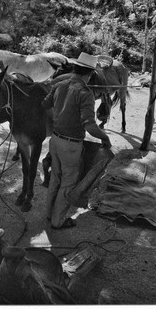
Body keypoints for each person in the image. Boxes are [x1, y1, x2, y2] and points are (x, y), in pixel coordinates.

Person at [41, 52, 111, 229]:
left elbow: (44, 105)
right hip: (71, 145)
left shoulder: (60, 84)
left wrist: (59, 118)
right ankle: (58, 221)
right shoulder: (85, 92)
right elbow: (90, 126)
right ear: (90, 74)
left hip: (55, 141)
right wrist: (105, 137)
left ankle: (49, 215)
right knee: (68, 183)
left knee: (55, 178)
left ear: (75, 68)